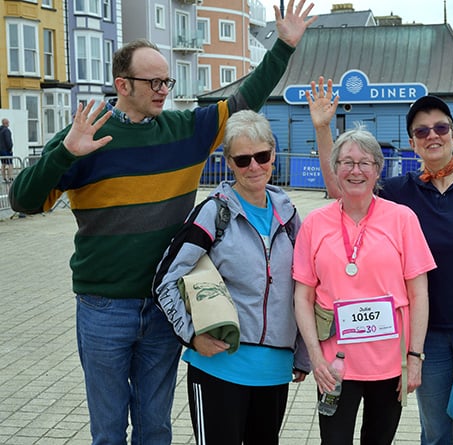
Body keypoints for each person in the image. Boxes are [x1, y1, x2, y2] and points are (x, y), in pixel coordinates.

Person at [8, 2, 315, 444]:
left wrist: (283, 47)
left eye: (166, 80)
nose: (164, 89)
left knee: (155, 428)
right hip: (103, 306)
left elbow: (245, 101)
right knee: (109, 431)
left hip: (163, 310)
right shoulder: (83, 136)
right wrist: (65, 154)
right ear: (122, 84)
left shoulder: (184, 130)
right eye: (154, 82)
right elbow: (24, 201)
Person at [308, 77, 453, 445]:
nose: (432, 135)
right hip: (430, 339)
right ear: (412, 142)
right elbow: (342, 186)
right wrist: (322, 128)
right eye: (421, 131)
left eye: (440, 127)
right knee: (437, 432)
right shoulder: (400, 192)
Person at [153, 110, 309, 444]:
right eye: (242, 159)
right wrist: (191, 335)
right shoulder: (214, 212)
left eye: (262, 156)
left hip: (274, 373)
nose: (254, 166)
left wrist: (305, 355)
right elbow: (165, 278)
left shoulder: (289, 214)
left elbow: (307, 286)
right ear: (228, 162)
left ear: (273, 154)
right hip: (219, 368)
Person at [293, 124, 436, 444]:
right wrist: (315, 358)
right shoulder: (315, 223)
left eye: (364, 163)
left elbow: (419, 293)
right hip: (334, 365)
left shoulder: (402, 219)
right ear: (334, 169)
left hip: (390, 363)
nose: (355, 170)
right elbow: (302, 296)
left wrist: (414, 358)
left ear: (377, 169)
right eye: (346, 162)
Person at [0, 118, 13, 182]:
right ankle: (10, 177)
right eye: (8, 123)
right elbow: (8, 141)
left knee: (3, 164)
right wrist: (10, 148)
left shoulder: (0, 130)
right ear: (6, 123)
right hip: (6, 150)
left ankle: (3, 178)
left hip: (1, 150)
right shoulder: (6, 131)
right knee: (9, 163)